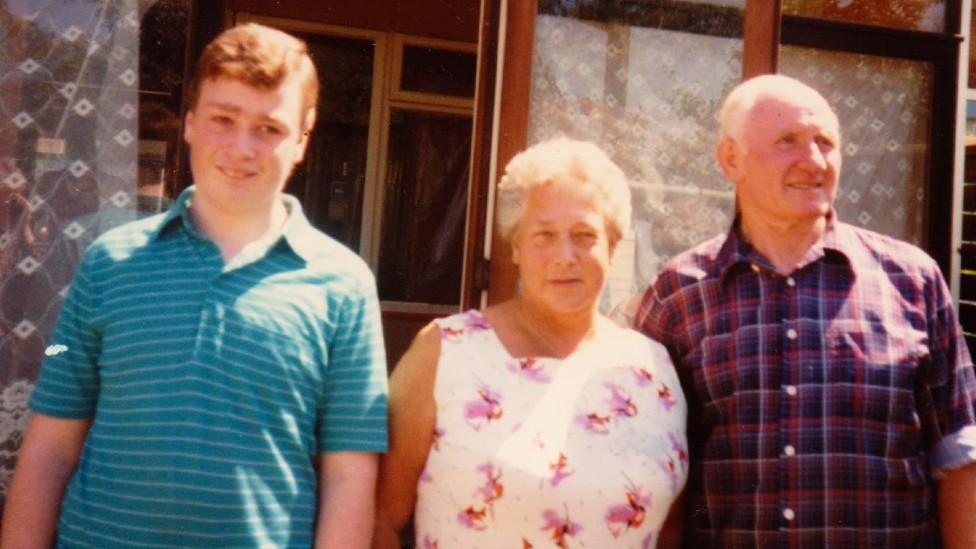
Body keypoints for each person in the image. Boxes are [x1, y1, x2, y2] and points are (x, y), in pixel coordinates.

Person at [1, 23, 388, 548]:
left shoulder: (343, 286)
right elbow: (51, 446)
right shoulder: (109, 263)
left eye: (269, 128)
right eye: (222, 119)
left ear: (303, 137)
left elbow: (349, 475)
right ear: (187, 123)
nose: (240, 146)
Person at [635, 74, 976, 548]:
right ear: (730, 159)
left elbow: (961, 455)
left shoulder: (912, 280)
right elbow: (652, 468)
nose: (813, 161)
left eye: (825, 143)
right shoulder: (679, 295)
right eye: (787, 141)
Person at [374, 137, 688, 548]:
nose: (564, 255)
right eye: (543, 235)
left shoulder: (653, 368)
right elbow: (377, 516)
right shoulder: (447, 351)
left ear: (613, 248)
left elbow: (671, 528)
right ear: (516, 248)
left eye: (584, 235)